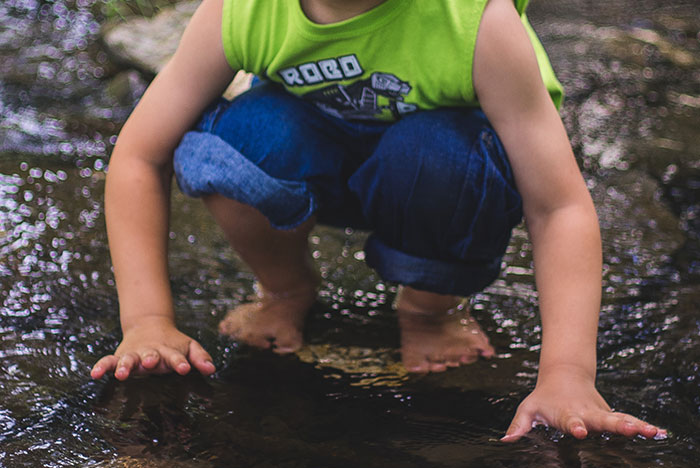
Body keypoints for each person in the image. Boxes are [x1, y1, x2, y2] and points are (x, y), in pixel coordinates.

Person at [90, 0, 665, 442]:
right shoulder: (245, 10)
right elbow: (141, 153)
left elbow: (558, 206)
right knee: (236, 143)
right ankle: (286, 289)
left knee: (438, 152)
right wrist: (146, 321)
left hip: (437, 175)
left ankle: (428, 308)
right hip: (320, 163)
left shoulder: (474, 23)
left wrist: (567, 373)